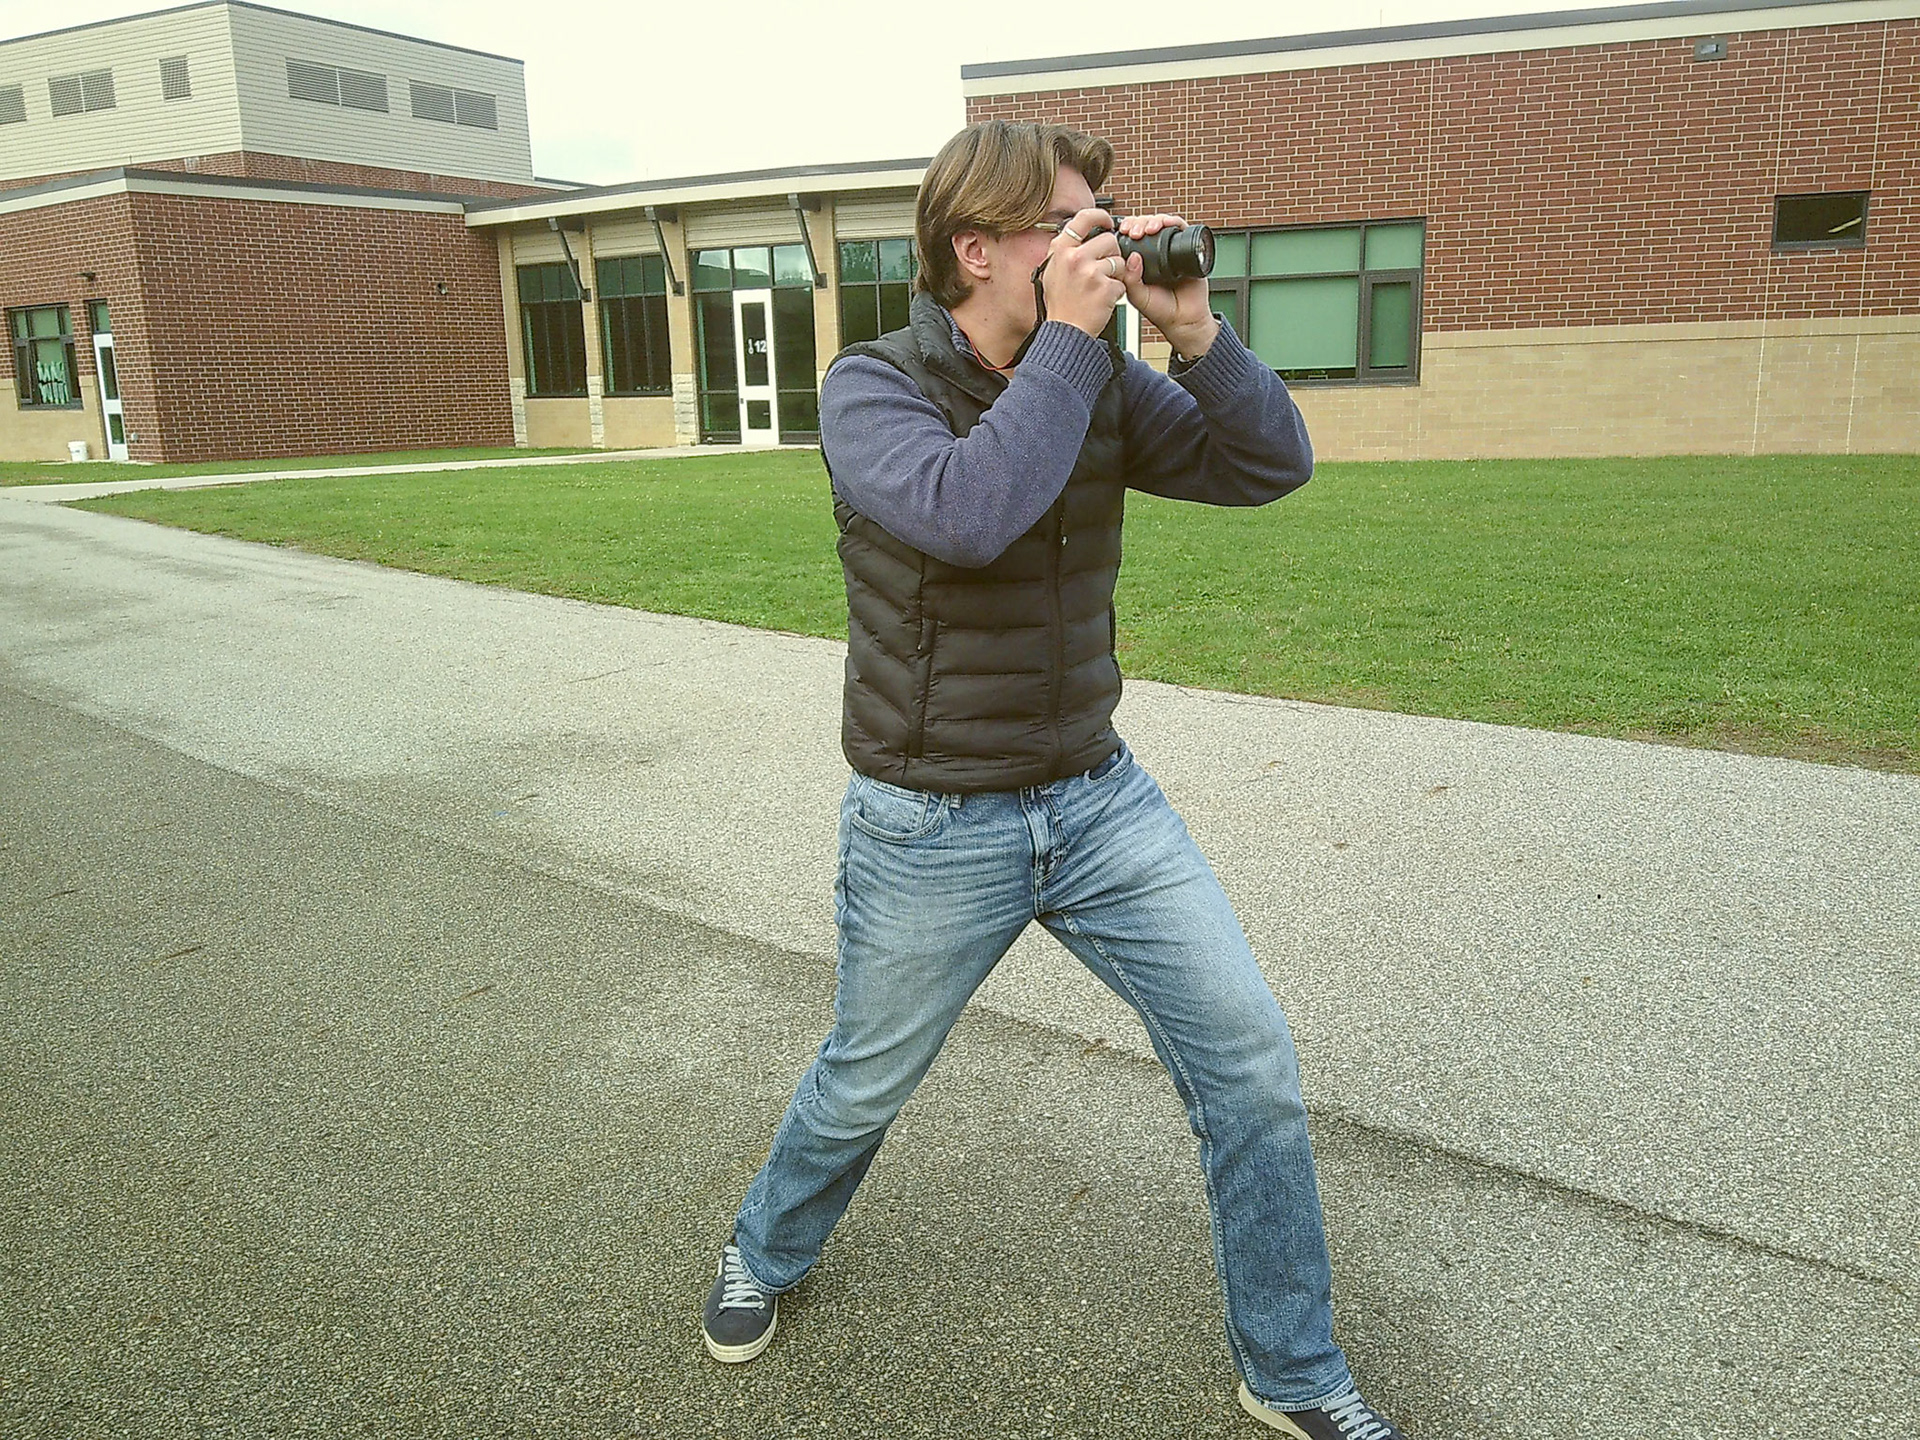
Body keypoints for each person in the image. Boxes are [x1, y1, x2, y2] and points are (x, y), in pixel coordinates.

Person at [701, 119, 1409, 1440]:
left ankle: (1290, 1366)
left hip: (1095, 800)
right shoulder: (871, 389)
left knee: (1249, 1063)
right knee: (864, 1078)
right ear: (977, 249)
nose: (1096, 243)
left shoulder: (1099, 377)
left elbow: (1268, 466)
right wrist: (1081, 346)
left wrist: (1193, 330)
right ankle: (765, 1249)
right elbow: (970, 514)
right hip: (930, 819)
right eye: (1065, 225)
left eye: (1105, 220)